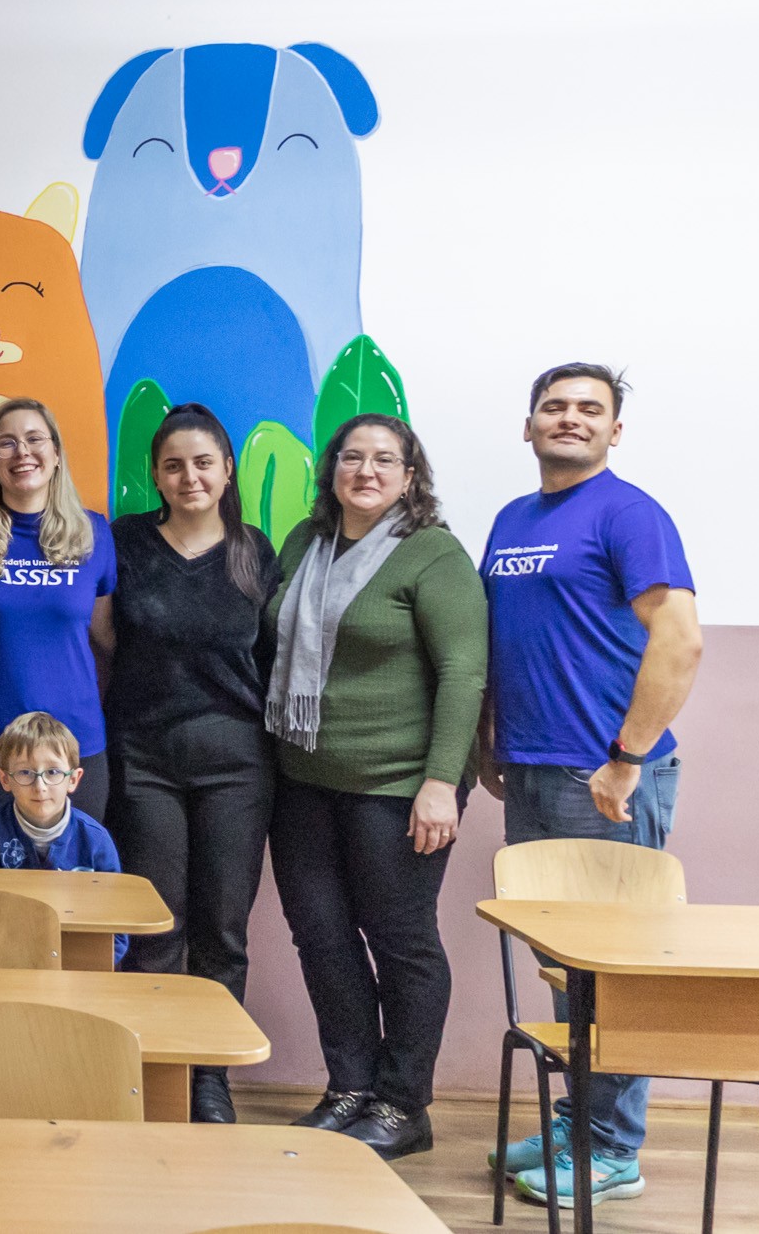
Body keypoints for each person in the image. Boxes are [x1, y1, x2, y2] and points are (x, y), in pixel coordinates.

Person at [477, 364, 701, 1208]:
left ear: (614, 430)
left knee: (615, 969)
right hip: (533, 770)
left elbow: (678, 639)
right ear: (528, 424)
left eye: (589, 409)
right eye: (553, 406)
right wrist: (492, 738)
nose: (568, 418)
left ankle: (613, 1148)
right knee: (566, 970)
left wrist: (627, 755)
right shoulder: (511, 519)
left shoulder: (629, 512)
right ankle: (582, 1120)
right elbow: (512, 637)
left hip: (605, 778)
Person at [264, 415, 486, 1160]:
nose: (366, 470)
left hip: (397, 787)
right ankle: (351, 1087)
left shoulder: (434, 554)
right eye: (352, 457)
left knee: (402, 943)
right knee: (322, 939)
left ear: (410, 475)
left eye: (384, 459)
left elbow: (463, 672)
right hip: (303, 779)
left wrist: (440, 783)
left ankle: (402, 1104)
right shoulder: (305, 543)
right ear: (333, 471)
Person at [104, 403, 279, 1124]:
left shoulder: (254, 550)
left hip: (237, 762)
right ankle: (151, 1070)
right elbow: (108, 639)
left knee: (221, 929)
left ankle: (209, 1078)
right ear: (155, 473)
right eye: (173, 464)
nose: (189, 476)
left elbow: (271, 658)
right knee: (154, 923)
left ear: (227, 468)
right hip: (143, 755)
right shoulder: (125, 542)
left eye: (203, 462)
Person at [0, 397, 117, 817]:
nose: (23, 453)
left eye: (35, 439)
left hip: (73, 753)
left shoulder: (94, 534)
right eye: (6, 444)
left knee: (72, 881)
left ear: (55, 455)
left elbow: (104, 639)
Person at [0, 711, 126, 963]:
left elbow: (117, 931)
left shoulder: (95, 840)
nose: (39, 786)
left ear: (73, 779)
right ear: (4, 779)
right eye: (25, 773)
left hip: (78, 964)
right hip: (5, 960)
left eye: (52, 772)